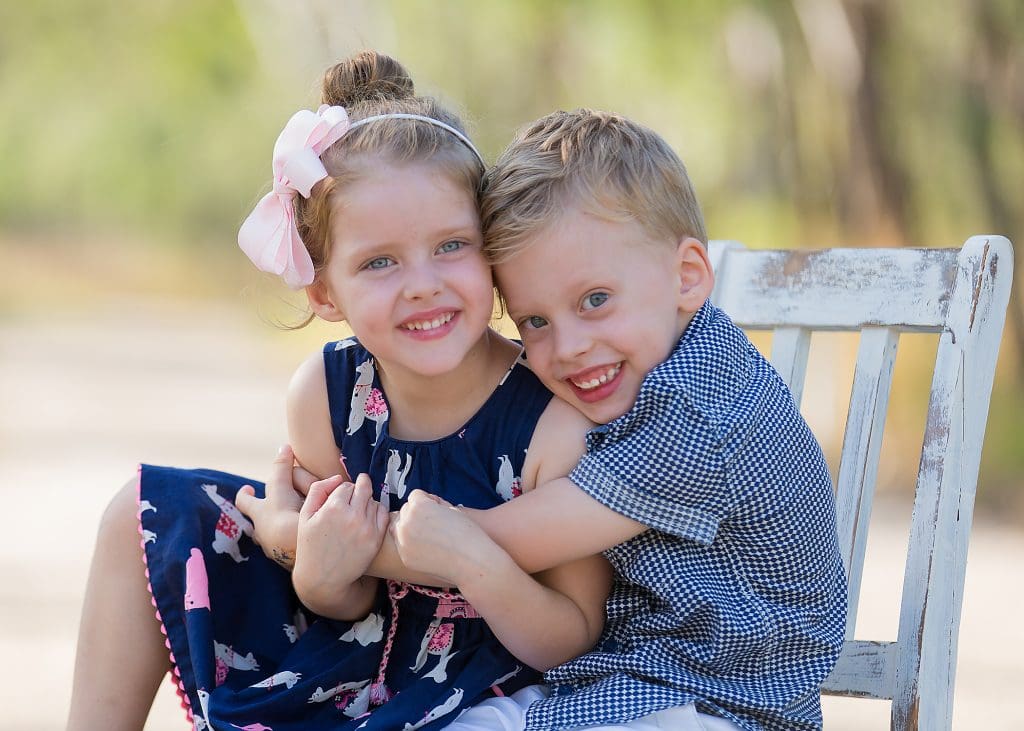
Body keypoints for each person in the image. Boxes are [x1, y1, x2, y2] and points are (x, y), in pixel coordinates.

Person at [66, 52, 611, 731]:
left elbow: (576, 630)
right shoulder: (327, 395)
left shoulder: (550, 422)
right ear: (326, 291)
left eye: (451, 246)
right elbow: (344, 597)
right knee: (139, 513)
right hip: (349, 652)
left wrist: (477, 566)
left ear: (492, 249)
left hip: (476, 675)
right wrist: (321, 577)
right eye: (379, 261)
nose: (422, 283)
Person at [383, 108, 848, 731]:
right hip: (637, 684)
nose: (568, 345)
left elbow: (503, 537)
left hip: (726, 706)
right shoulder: (675, 358)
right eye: (535, 322)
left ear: (687, 278)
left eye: (595, 301)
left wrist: (333, 541)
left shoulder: (696, 411)